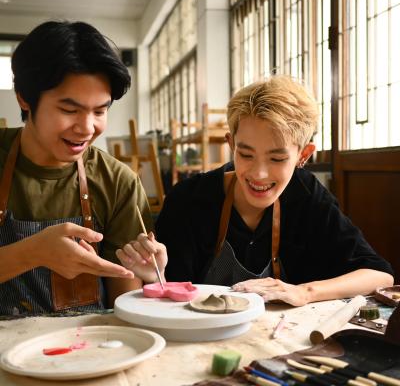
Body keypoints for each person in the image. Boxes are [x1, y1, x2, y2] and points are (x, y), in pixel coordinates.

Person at [116, 76, 394, 306]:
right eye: (246, 155)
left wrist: (304, 292)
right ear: (231, 144)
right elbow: (168, 299)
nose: (259, 174)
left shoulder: (307, 196)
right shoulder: (190, 199)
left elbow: (379, 275)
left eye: (276, 159)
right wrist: (156, 276)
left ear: (303, 155)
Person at [0, 20, 153, 316]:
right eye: (69, 110)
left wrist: (145, 275)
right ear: (24, 98)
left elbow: (125, 302)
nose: (86, 128)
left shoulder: (118, 183)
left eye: (100, 111)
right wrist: (32, 253)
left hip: (86, 348)